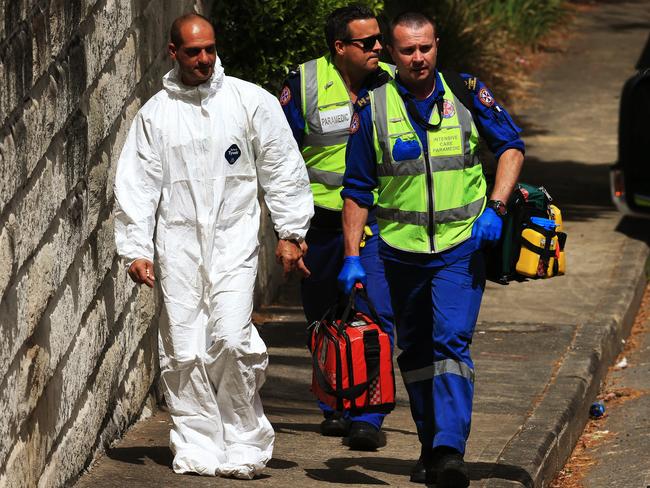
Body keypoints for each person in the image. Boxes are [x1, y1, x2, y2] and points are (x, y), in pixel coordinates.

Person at [113, 13, 313, 480]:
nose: (204, 59)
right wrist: (136, 249)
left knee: (230, 338)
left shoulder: (250, 102)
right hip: (178, 244)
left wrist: (291, 233)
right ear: (173, 53)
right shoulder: (155, 116)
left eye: (210, 49)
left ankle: (244, 442)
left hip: (234, 241)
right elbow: (137, 187)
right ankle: (197, 444)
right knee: (184, 346)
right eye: (193, 52)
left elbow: (282, 168)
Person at [338, 11, 525, 487]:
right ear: (393, 54)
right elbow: (358, 189)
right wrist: (353, 256)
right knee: (417, 350)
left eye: (425, 48)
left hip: (461, 248)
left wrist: (496, 208)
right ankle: (429, 442)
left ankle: (448, 450)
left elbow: (510, 147)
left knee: (451, 342)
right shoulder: (373, 108)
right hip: (399, 252)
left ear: (436, 46)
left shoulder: (464, 92)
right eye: (407, 51)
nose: (418, 58)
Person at [279, 5, 395, 450]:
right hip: (317, 224)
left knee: (372, 312)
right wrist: (288, 231)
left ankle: (369, 413)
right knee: (323, 317)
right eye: (367, 43)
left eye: (379, 40)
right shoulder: (304, 84)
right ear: (340, 47)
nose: (378, 49)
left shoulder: (391, 82)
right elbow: (279, 158)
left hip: (373, 221)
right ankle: (335, 405)